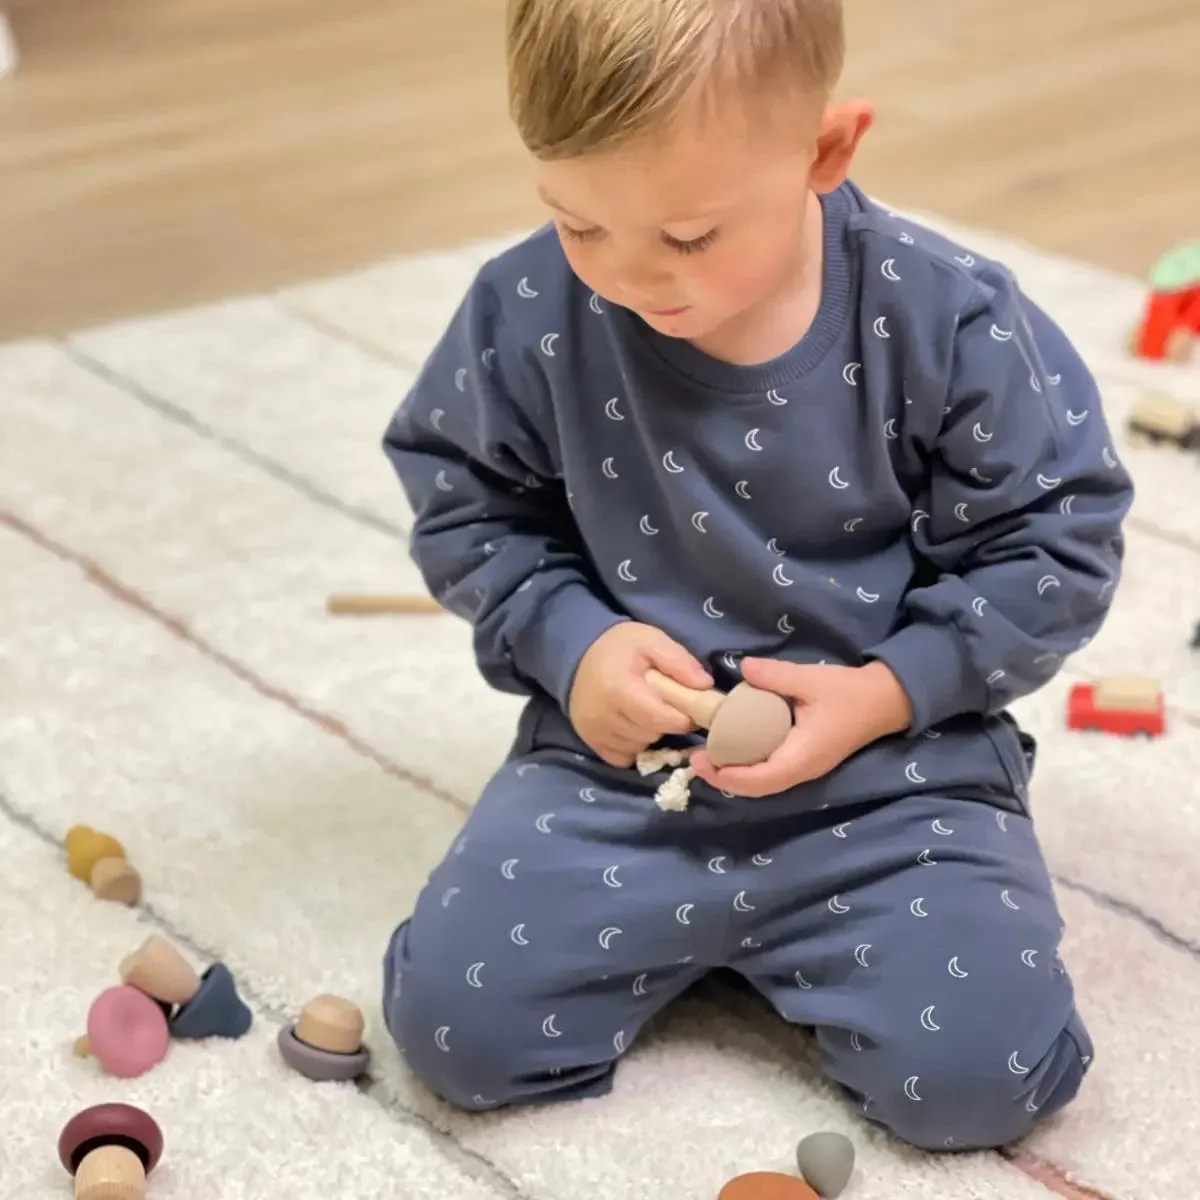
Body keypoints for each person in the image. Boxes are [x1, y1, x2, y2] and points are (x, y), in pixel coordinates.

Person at [378, 0, 1133, 1152]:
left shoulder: (946, 316)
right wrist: (569, 641)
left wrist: (889, 691)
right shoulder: (530, 307)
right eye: (580, 224)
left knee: (983, 1079)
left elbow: (1057, 540)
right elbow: (466, 499)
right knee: (456, 1033)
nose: (631, 279)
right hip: (625, 773)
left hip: (894, 776)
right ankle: (726, 940)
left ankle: (799, 940)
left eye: (687, 237)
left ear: (826, 151)